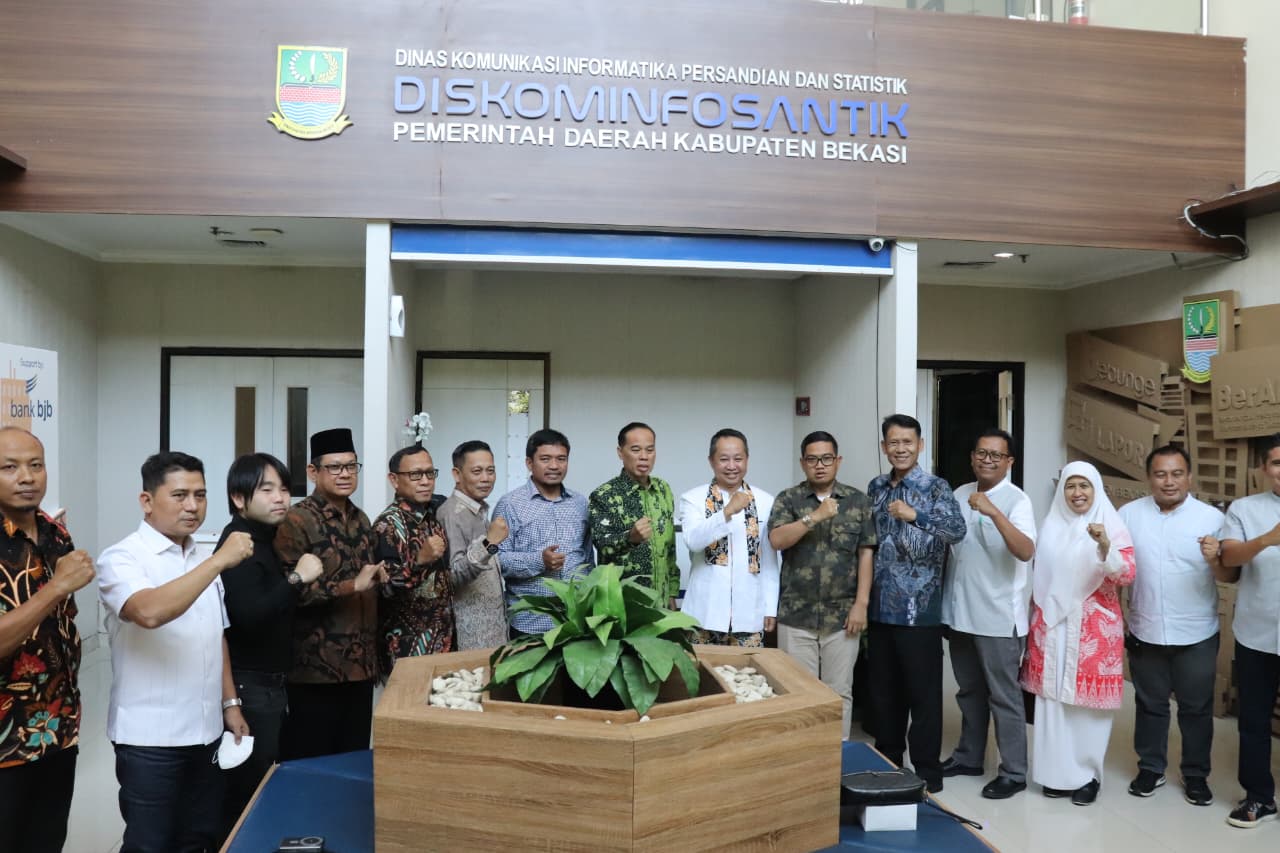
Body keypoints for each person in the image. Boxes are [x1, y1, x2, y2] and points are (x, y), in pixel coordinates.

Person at [96, 451, 254, 853]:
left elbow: (216, 634)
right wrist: (219, 562)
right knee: (150, 843)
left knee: (198, 839)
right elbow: (148, 612)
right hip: (150, 739)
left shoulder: (200, 557)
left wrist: (230, 704)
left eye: (200, 495)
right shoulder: (122, 557)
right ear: (147, 501)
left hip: (206, 732)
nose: (192, 506)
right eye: (180, 495)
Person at [216, 453, 324, 841]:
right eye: (266, 489)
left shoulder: (264, 540)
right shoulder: (240, 546)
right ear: (238, 498)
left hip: (269, 683)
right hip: (249, 686)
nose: (280, 497)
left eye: (283, 488)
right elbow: (248, 616)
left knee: (263, 783)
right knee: (246, 793)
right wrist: (297, 578)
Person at [0, 427, 95, 853]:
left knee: (47, 841)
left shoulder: (54, 533)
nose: (26, 477)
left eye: (35, 465)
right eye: (10, 467)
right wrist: (57, 587)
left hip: (57, 729)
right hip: (5, 742)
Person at [1020, 460, 1135, 806]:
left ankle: (1088, 776)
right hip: (1051, 630)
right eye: (1070, 486)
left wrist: (1104, 545)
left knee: (1087, 709)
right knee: (1053, 704)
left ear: (1096, 489)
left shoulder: (1112, 527)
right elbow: (1040, 581)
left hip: (1092, 633)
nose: (1077, 493)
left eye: (1084, 485)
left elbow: (1126, 575)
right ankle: (1055, 775)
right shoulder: (1051, 526)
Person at [1118, 444, 1227, 807]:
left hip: (1197, 632)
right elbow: (1117, 567)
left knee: (1196, 708)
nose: (1169, 482)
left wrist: (1216, 557)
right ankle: (1151, 767)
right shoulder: (1129, 514)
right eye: (1161, 474)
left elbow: (1228, 572)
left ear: (1189, 477)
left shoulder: (1211, 519)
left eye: (1177, 474)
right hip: (1145, 628)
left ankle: (1195, 774)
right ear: (1149, 478)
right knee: (1150, 704)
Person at [867, 414, 966, 793]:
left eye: (907, 442)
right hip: (880, 609)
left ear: (920, 445)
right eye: (894, 442)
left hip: (920, 612)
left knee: (923, 697)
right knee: (884, 696)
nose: (901, 448)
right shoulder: (876, 487)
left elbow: (956, 530)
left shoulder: (936, 487)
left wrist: (916, 516)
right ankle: (888, 764)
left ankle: (927, 771)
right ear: (884, 447)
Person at [274, 428, 386, 761]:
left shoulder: (361, 519)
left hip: (360, 667)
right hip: (315, 671)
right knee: (313, 764)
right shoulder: (296, 520)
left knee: (353, 761)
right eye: (335, 467)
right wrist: (353, 586)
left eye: (351, 466)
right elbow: (290, 591)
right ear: (313, 472)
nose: (345, 474)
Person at [940, 428, 1037, 800]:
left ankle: (1013, 772)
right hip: (960, 613)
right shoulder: (960, 493)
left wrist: (994, 512)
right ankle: (969, 757)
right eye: (982, 453)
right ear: (972, 457)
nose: (987, 460)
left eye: (996, 455)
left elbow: (1025, 551)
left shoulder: (1017, 500)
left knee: (1004, 696)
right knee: (969, 691)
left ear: (1009, 461)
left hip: (998, 618)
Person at [768, 430, 876, 738]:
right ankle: (804, 758)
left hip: (843, 616)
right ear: (802, 463)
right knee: (797, 694)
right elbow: (776, 540)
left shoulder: (858, 501)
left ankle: (836, 756)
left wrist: (861, 604)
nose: (820, 465)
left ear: (838, 461)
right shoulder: (788, 499)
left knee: (838, 692)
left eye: (827, 459)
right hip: (796, 615)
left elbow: (866, 554)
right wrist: (813, 517)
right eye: (813, 459)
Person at [1216, 432, 1280, 828]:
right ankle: (1258, 797)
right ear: (1264, 469)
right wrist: (1267, 539)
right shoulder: (1245, 509)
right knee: (1253, 720)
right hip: (1258, 633)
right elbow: (1229, 557)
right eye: (1277, 462)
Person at [681, 428, 780, 647]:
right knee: (701, 669)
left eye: (738, 459)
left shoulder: (765, 501)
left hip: (750, 613)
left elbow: (769, 559)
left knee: (749, 669)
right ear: (711, 461)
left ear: (747, 459)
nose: (732, 466)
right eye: (724, 459)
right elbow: (693, 541)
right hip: (703, 613)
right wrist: (726, 512)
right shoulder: (692, 499)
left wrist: (770, 607)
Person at [493, 429, 593, 636]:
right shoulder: (510, 504)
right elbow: (498, 560)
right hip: (531, 623)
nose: (554, 466)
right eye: (545, 459)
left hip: (576, 620)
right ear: (529, 463)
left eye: (561, 459)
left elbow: (587, 558)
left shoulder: (580, 503)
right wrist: (539, 561)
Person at [374, 444, 452, 674]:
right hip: (406, 647)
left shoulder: (432, 518)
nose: (425, 481)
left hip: (442, 639)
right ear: (394, 480)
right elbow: (385, 587)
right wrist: (419, 560)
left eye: (430, 473)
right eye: (416, 475)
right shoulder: (387, 525)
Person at [589, 422, 678, 605]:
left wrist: (672, 594)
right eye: (636, 450)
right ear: (620, 453)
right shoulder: (604, 495)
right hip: (624, 605)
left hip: (661, 602)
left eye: (650, 450)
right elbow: (601, 545)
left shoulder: (663, 489)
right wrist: (630, 538)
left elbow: (670, 548)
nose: (644, 457)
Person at [438, 440, 510, 650]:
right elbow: (454, 576)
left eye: (490, 471)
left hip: (492, 629)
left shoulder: (478, 509)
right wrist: (489, 543)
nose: (486, 478)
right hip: (470, 635)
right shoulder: (452, 513)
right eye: (477, 471)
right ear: (457, 474)